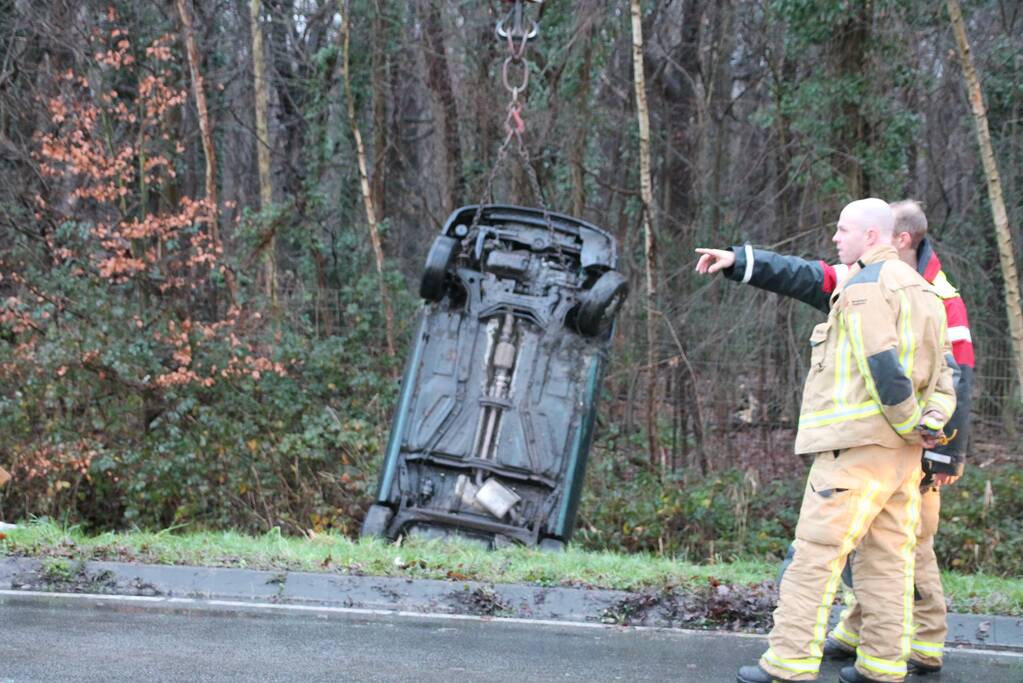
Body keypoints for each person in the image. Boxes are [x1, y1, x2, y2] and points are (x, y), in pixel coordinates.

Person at [696, 199, 973, 675]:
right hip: (905, 456)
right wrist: (930, 427)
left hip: (858, 450)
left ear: (876, 236)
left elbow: (883, 365)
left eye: (842, 230)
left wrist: (914, 426)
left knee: (817, 557)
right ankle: (882, 666)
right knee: (889, 563)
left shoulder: (865, 287)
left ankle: (788, 663)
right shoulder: (931, 292)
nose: (833, 239)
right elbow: (949, 378)